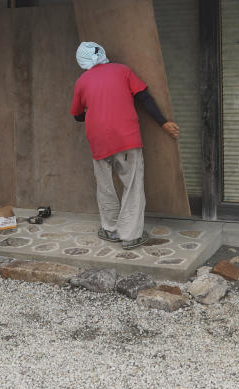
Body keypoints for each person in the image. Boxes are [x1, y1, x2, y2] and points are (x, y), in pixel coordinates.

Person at [70, 41, 179, 250]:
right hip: (127, 138)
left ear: (82, 62)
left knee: (105, 186)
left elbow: (76, 115)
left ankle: (110, 230)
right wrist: (163, 123)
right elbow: (144, 98)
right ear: (101, 53)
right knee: (133, 186)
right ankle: (130, 237)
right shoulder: (122, 70)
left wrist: (95, 111)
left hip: (99, 141)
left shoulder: (82, 81)